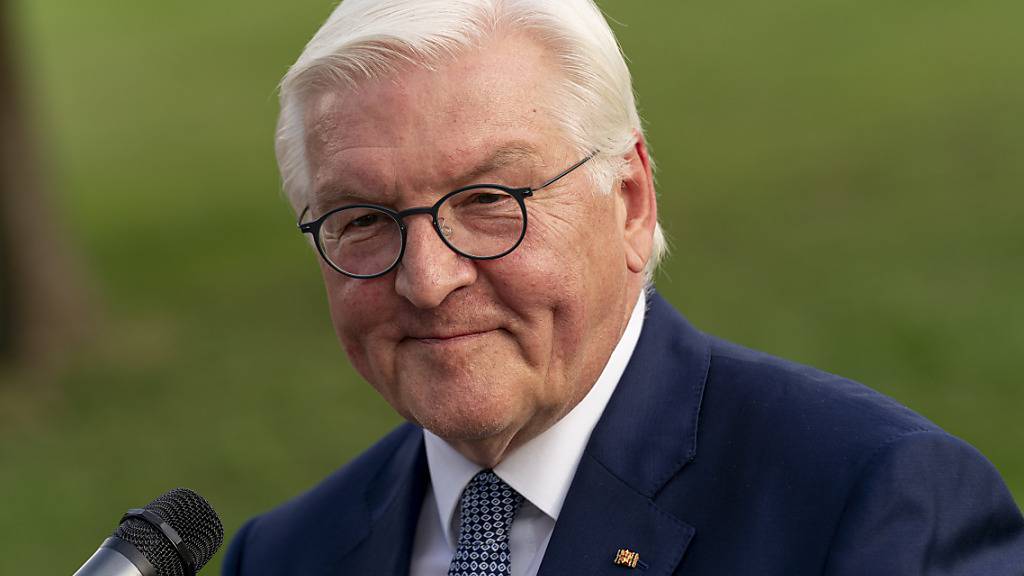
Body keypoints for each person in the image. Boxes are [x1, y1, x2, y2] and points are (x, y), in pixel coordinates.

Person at [223, 1, 1024, 574]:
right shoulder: (286, 553)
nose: (428, 281)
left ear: (631, 202)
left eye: (489, 202)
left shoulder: (869, 504)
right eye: (362, 220)